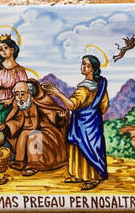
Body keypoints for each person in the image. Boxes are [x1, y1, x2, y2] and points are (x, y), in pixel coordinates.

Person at [46, 55, 109, 191]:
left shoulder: (84, 89)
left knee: (86, 147)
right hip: (94, 121)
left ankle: (92, 177)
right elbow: (104, 106)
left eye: (87, 65)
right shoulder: (100, 85)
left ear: (93, 69)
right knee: (84, 147)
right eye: (82, 64)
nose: (83, 67)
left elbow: (71, 105)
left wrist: (57, 93)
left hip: (84, 122)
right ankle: (78, 174)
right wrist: (93, 112)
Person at [0, 79, 68, 175]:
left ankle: (35, 165)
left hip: (46, 131)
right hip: (26, 131)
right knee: (23, 134)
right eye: (17, 94)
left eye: (22, 94)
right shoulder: (18, 104)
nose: (19, 97)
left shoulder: (41, 101)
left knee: (33, 136)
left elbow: (52, 115)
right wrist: (6, 126)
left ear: (29, 93)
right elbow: (16, 121)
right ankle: (20, 162)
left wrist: (59, 117)